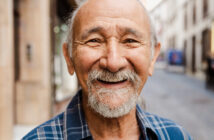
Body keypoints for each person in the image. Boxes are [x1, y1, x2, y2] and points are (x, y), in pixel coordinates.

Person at [23, 0, 192, 139]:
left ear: (152, 57)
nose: (113, 63)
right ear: (69, 57)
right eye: (94, 40)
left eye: (130, 41)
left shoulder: (177, 136)